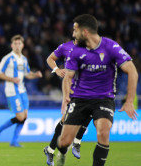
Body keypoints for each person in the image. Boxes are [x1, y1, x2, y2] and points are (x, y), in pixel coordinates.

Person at [56, 14, 138, 166]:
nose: (73, 34)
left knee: (103, 132)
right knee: (64, 142)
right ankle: (62, 153)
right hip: (80, 99)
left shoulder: (110, 47)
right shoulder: (75, 51)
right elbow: (68, 77)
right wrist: (66, 97)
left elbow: (132, 71)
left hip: (104, 98)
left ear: (85, 31)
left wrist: (129, 101)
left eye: (75, 30)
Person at [43, 40, 92, 166]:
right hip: (71, 86)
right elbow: (50, 59)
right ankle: (73, 143)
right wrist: (56, 69)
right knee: (67, 119)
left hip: (86, 86)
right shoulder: (65, 46)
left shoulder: (91, 47)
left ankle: (52, 149)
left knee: (89, 111)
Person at [0, 34, 42, 147]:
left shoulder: (24, 59)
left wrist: (35, 75)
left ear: (23, 45)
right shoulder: (8, 58)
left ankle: (14, 141)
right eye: (15, 44)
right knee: (20, 117)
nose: (17, 46)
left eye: (19, 43)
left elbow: (27, 74)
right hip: (12, 91)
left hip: (22, 90)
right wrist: (11, 79)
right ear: (12, 45)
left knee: (25, 116)